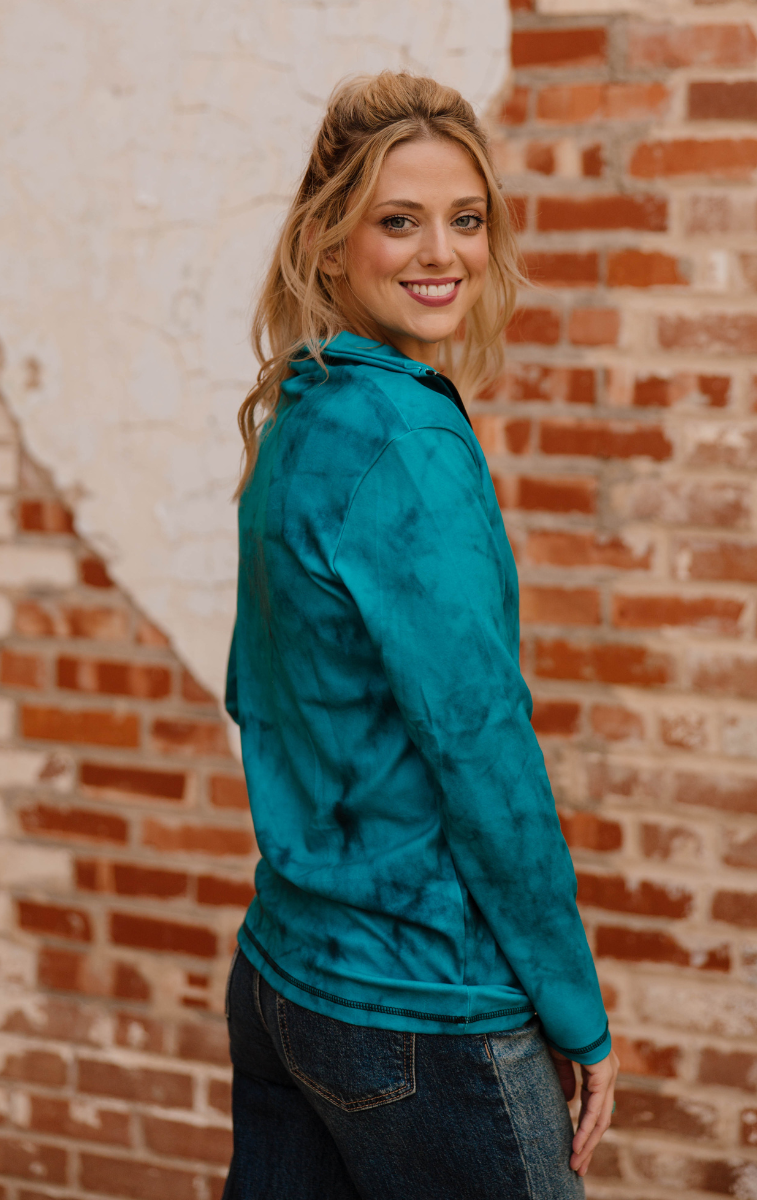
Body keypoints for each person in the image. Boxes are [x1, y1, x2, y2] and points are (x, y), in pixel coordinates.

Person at [222, 71, 618, 1200]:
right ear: (329, 238)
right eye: (398, 220)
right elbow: (482, 753)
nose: (441, 252)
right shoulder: (405, 441)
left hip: (285, 979)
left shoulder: (300, 413)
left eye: (466, 218)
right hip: (420, 1010)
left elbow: (257, 693)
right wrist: (576, 1012)